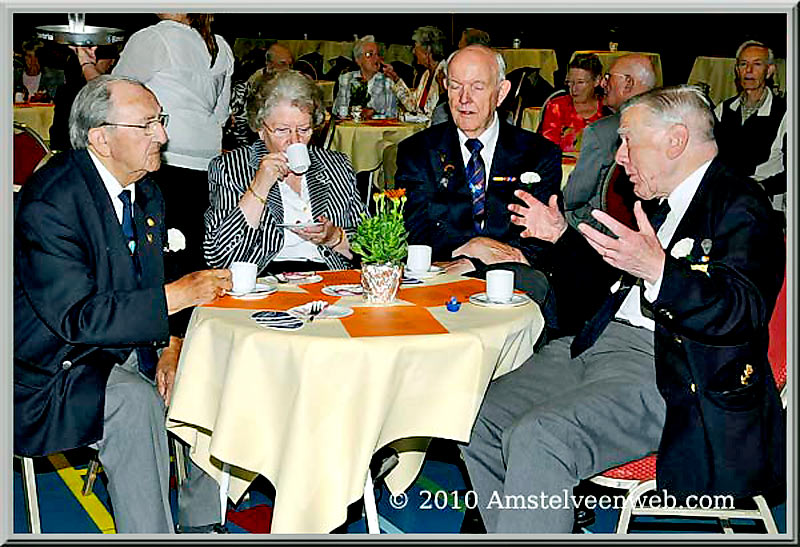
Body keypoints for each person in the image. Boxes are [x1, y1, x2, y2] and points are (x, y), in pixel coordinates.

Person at [461, 85, 785, 533]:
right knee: (474, 415)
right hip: (592, 346)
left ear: (675, 140)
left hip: (668, 370)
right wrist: (562, 238)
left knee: (542, 437)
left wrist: (661, 272)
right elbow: (610, 284)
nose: (619, 157)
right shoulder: (658, 205)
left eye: (628, 140)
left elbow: (742, 312)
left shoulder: (741, 206)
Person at [14, 75, 233, 533]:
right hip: (52, 367)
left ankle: (203, 520)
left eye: (162, 121)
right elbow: (77, 317)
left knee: (210, 368)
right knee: (134, 403)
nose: (164, 136)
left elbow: (148, 284)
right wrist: (179, 296)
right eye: (148, 124)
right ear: (101, 138)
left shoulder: (146, 188)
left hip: (124, 346)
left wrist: (171, 343)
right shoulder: (51, 202)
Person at [76, 13, 235, 278]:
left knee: (158, 253)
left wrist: (86, 63)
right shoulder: (221, 46)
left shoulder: (153, 38)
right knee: (194, 249)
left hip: (161, 158)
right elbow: (221, 114)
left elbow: (107, 97)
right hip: (207, 161)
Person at [395, 45, 562, 273]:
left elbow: (537, 244)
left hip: (514, 286)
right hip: (441, 283)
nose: (464, 99)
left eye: (477, 87)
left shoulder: (538, 154)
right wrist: (469, 250)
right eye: (455, 86)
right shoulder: (418, 152)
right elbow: (413, 236)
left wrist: (475, 264)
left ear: (501, 93)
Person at [204, 70, 364, 274]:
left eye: (304, 129)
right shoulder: (231, 167)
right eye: (282, 130)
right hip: (264, 279)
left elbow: (373, 245)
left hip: (329, 278)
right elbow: (219, 256)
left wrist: (336, 238)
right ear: (261, 129)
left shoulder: (336, 166)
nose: (295, 141)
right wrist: (259, 186)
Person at [563, 54, 656, 232]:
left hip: (607, 230)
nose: (603, 84)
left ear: (628, 83)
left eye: (608, 78)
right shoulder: (666, 123)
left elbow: (573, 197)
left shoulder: (601, 132)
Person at [714, 40, 787, 223]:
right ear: (737, 70)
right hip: (724, 199)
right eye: (743, 64)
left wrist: (760, 187)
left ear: (769, 71)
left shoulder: (786, 113)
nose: (748, 71)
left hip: (765, 203)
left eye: (757, 64)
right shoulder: (723, 109)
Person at [227, 43, 296, 150]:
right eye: (283, 64)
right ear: (269, 65)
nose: (288, 69)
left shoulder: (291, 86)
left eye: (290, 65)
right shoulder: (247, 89)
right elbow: (239, 128)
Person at [50, 45, 119, 151]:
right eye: (110, 59)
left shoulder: (65, 89)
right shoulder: (104, 92)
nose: (112, 63)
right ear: (96, 59)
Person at [539, 53, 609, 153]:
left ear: (597, 81)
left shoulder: (607, 108)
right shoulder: (557, 106)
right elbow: (547, 148)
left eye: (580, 82)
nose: (574, 89)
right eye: (570, 83)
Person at [382, 26, 448, 121]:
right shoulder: (426, 74)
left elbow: (434, 115)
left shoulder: (445, 73)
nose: (413, 51)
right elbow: (413, 106)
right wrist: (396, 79)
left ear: (427, 51)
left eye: (416, 48)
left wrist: (407, 118)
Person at [332, 35, 398, 119]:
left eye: (377, 54)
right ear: (358, 60)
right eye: (369, 54)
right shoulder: (346, 79)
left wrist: (373, 112)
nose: (376, 58)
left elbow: (392, 114)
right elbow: (338, 111)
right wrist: (355, 111)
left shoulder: (387, 81)